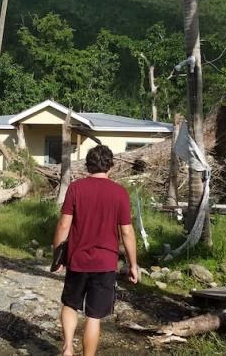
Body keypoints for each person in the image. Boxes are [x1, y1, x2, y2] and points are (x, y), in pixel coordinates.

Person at [52, 144, 139, 356]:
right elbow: (127, 232)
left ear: (88, 165)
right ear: (111, 165)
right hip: (105, 262)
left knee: (70, 304)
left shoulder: (76, 188)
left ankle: (67, 348)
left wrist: (57, 256)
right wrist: (133, 264)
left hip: (78, 259)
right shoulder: (119, 193)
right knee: (93, 316)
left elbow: (64, 224)